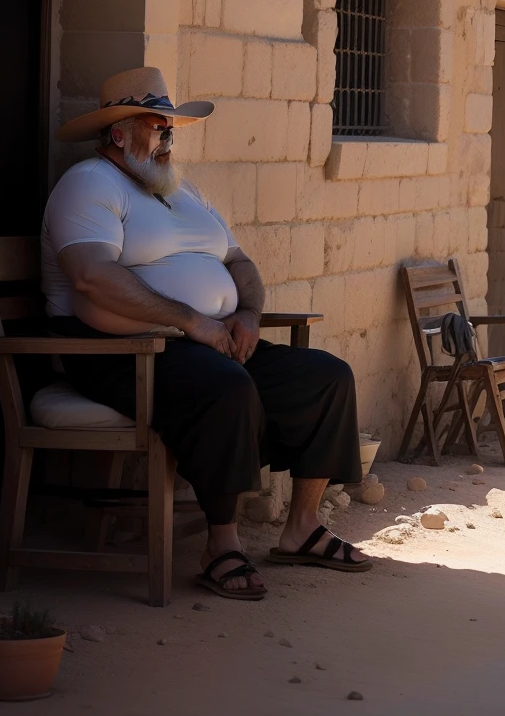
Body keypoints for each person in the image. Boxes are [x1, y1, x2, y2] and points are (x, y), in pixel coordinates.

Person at [42, 67, 372, 601]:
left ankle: (302, 527)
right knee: (226, 387)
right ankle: (222, 544)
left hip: (208, 341)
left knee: (326, 377)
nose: (170, 136)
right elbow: (91, 277)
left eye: (172, 126)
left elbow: (238, 261)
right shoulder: (88, 184)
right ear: (119, 133)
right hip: (124, 353)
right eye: (158, 125)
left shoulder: (182, 189)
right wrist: (191, 320)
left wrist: (248, 314)